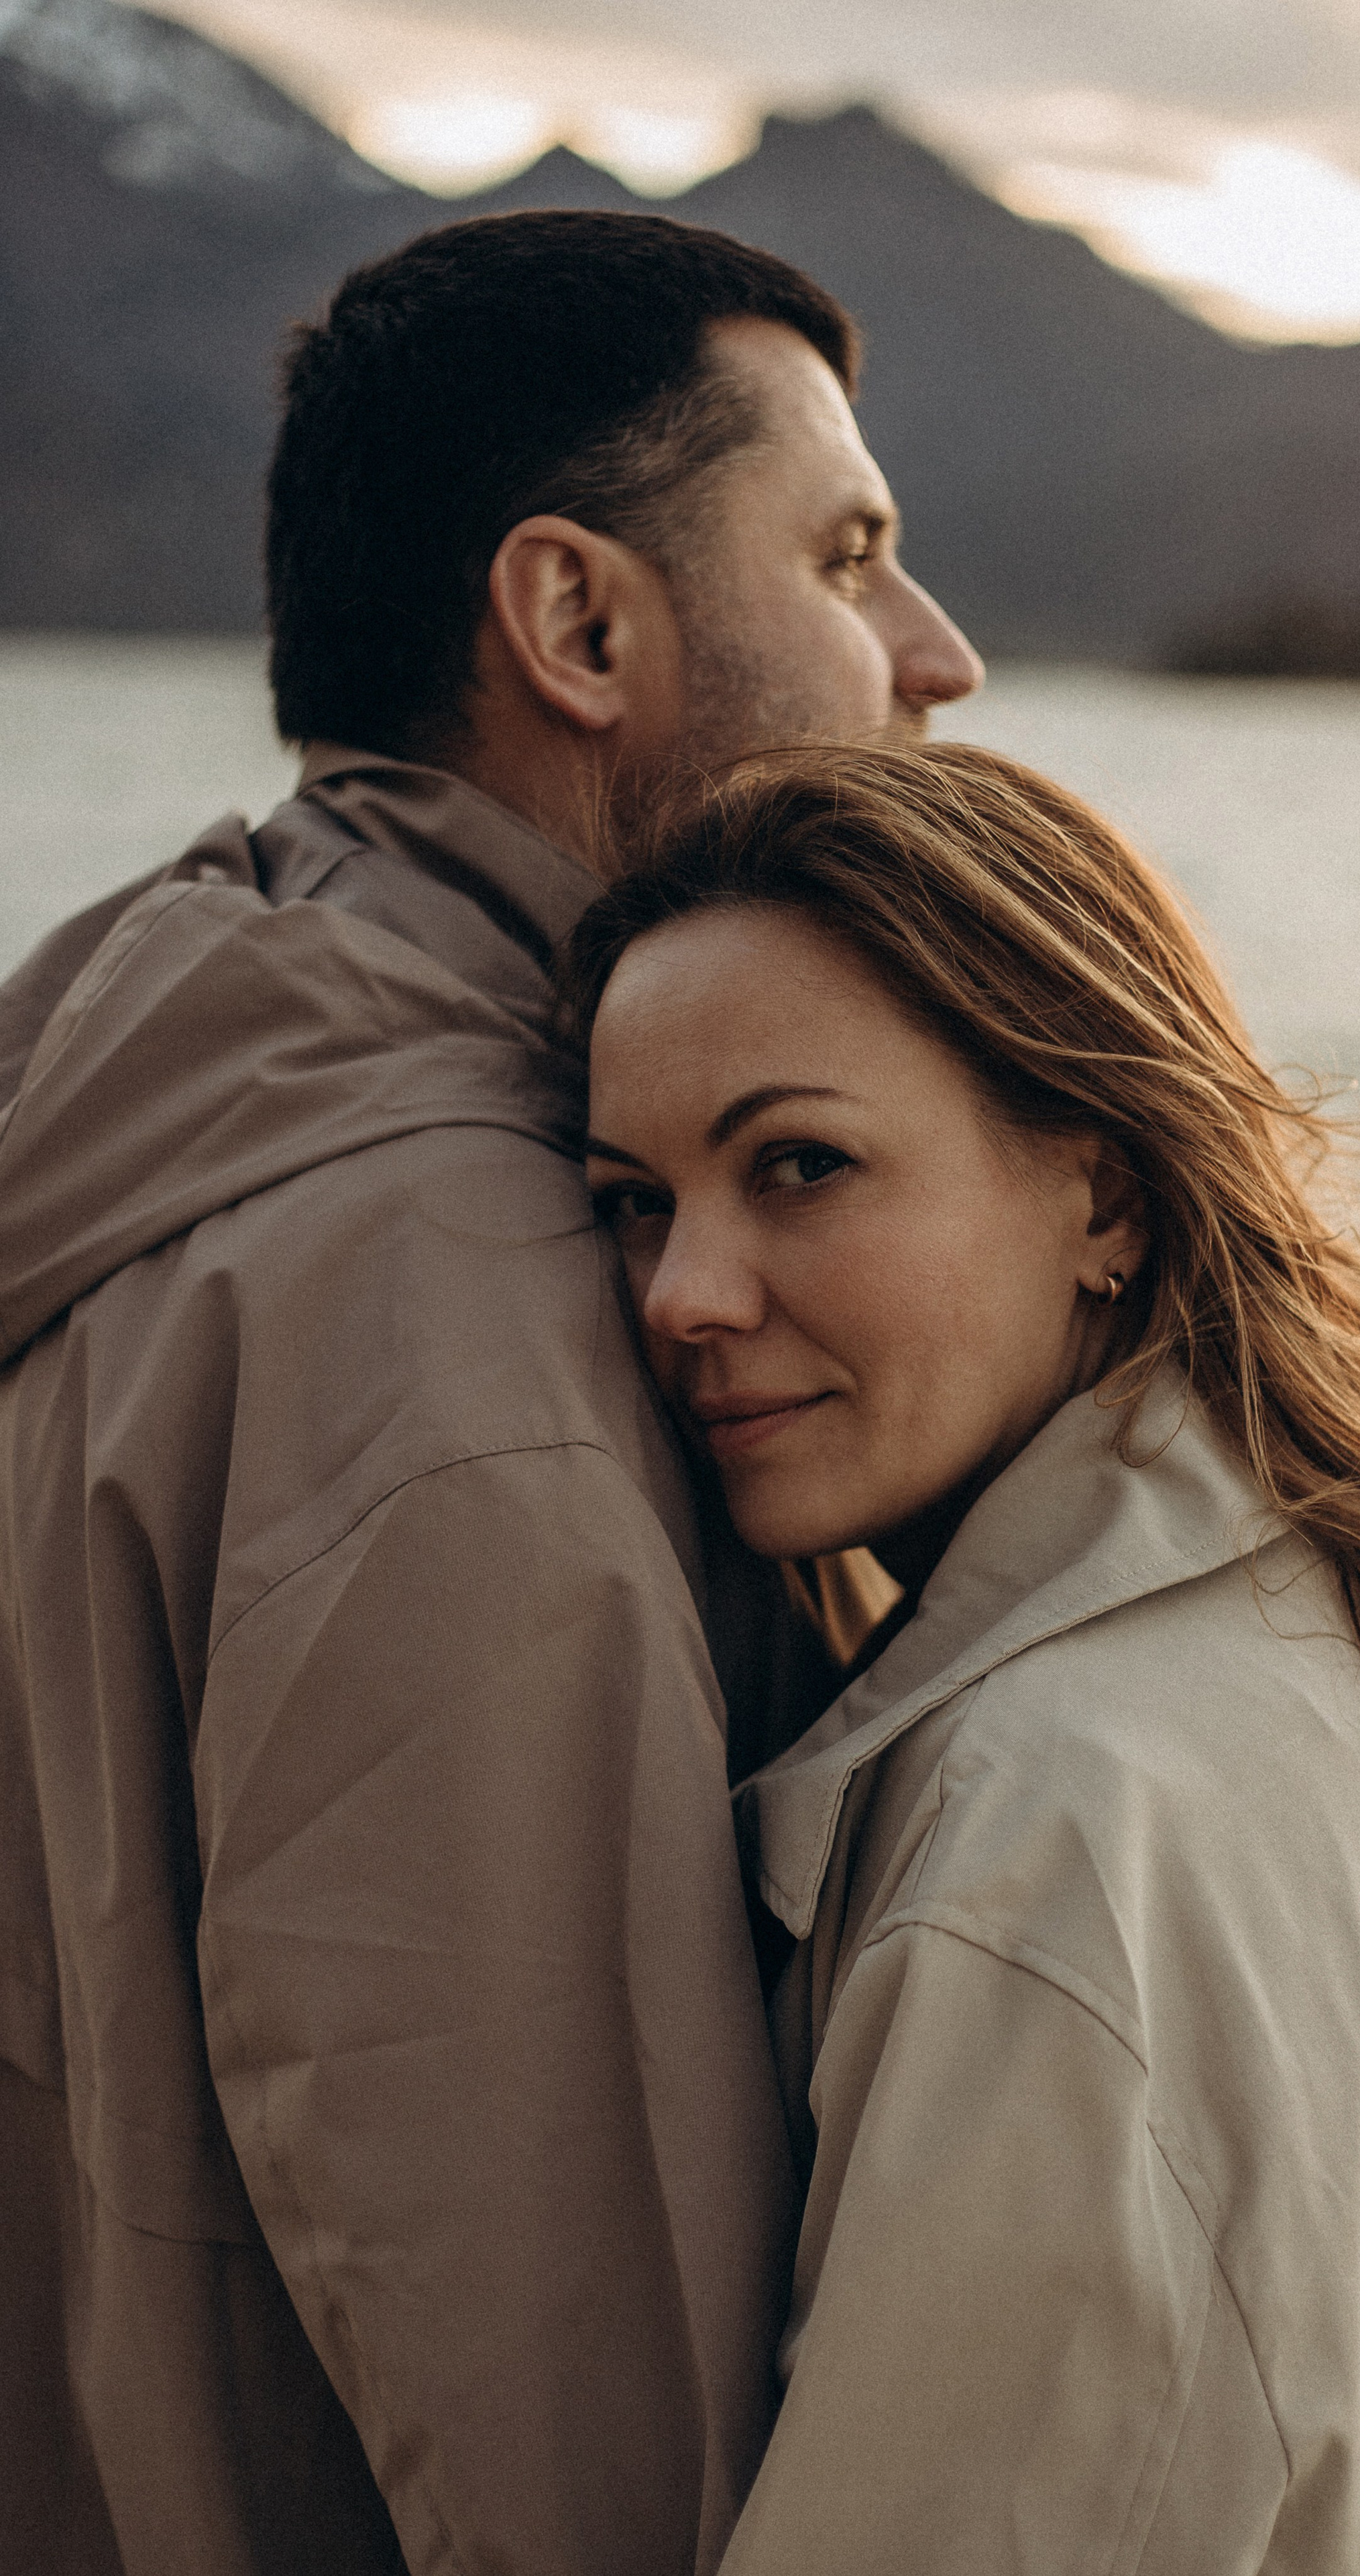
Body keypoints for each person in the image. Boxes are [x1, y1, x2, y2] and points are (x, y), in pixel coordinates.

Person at [0, 213, 980, 2575]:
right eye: (849, 557)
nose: (937, 661)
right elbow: (566, 2391)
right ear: (578, 626)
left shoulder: (145, 1072)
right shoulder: (467, 1303)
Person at [569, 739, 1360, 2576]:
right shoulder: (1291, 1644)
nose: (685, 1292)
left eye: (799, 1165)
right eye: (635, 1196)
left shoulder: (1057, 1840)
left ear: (1101, 1193)